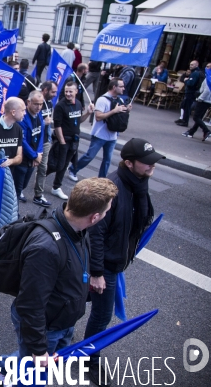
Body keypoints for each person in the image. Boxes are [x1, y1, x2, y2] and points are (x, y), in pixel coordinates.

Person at [0, 178, 117, 381]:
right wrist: (39, 348)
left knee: (38, 360)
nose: (106, 216)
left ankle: (5, 366)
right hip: (47, 327)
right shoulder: (45, 248)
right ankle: (16, 368)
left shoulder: (77, 228)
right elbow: (30, 305)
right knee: (34, 375)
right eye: (105, 212)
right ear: (95, 217)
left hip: (61, 319)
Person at [84, 138, 164, 386]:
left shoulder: (138, 184)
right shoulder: (113, 189)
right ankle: (89, 359)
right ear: (129, 163)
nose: (153, 167)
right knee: (101, 315)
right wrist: (97, 272)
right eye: (147, 163)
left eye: (153, 162)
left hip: (116, 262)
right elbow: (95, 234)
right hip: (104, 265)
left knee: (82, 303)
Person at [69, 78, 131, 180]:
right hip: (100, 135)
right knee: (89, 156)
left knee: (107, 160)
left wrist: (127, 110)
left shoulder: (119, 100)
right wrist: (114, 111)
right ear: (114, 87)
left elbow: (120, 117)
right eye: (121, 86)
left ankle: (101, 180)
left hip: (112, 136)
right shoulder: (102, 100)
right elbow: (98, 117)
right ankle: (73, 169)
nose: (123, 88)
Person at [46, 82, 94, 200]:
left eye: (70, 91)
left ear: (76, 91)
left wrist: (88, 112)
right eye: (66, 91)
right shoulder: (60, 106)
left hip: (74, 140)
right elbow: (57, 125)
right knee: (58, 164)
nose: (68, 94)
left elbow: (79, 120)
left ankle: (56, 187)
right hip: (63, 140)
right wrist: (62, 142)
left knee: (64, 165)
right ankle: (42, 174)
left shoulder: (78, 103)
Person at [13, 91, 45, 203]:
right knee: (16, 189)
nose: (39, 107)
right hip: (23, 158)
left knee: (24, 185)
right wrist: (34, 155)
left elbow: (41, 134)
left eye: (41, 104)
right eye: (36, 104)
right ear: (28, 102)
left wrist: (39, 153)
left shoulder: (39, 115)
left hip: (34, 158)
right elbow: (22, 140)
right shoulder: (23, 117)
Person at [32, 81, 57, 208]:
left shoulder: (50, 103)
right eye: (53, 92)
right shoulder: (35, 102)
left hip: (45, 141)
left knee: (43, 168)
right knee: (27, 168)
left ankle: (38, 195)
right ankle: (18, 192)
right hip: (33, 140)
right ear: (45, 90)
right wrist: (43, 122)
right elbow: (30, 120)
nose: (55, 94)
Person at [182, 62, 211, 141]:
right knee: (199, 117)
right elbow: (203, 88)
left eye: (208, 67)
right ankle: (191, 132)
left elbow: (207, 91)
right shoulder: (207, 77)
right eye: (206, 66)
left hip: (204, 100)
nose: (206, 68)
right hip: (208, 100)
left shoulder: (209, 78)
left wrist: (200, 98)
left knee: (196, 117)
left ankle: (206, 131)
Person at [175, 61, 202, 127]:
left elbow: (191, 83)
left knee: (187, 107)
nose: (190, 66)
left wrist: (186, 80)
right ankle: (182, 119)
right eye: (190, 64)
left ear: (196, 65)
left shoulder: (195, 73)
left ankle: (185, 121)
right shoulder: (195, 73)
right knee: (184, 105)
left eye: (192, 65)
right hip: (190, 92)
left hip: (191, 92)